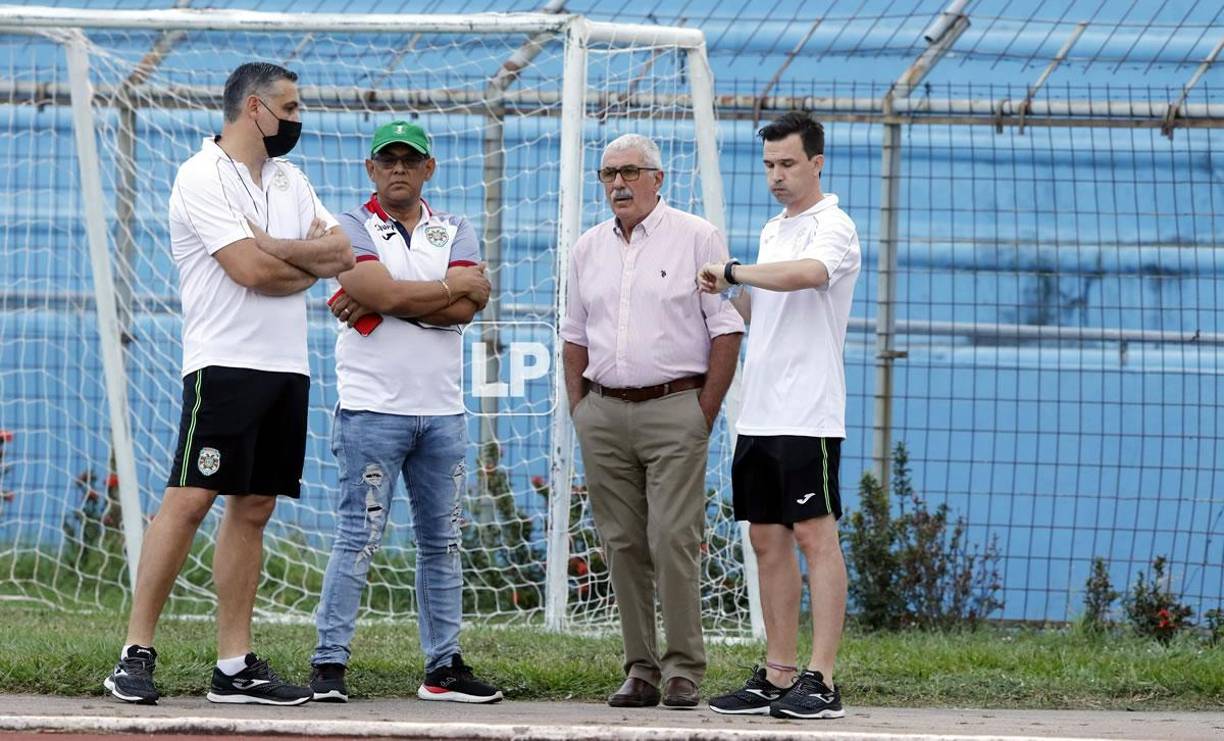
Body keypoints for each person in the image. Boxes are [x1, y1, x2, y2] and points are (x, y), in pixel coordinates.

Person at [103, 62, 354, 706]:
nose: (298, 119)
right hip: (222, 364)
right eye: (290, 107)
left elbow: (343, 255)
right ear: (254, 109)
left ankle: (234, 666)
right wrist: (288, 256)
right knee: (190, 499)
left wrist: (276, 246)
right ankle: (135, 653)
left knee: (256, 507)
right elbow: (248, 271)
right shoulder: (199, 174)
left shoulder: (292, 179)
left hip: (285, 367)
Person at [306, 120, 500, 704]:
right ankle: (329, 665)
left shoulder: (454, 227)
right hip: (371, 413)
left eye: (408, 160)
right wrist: (443, 292)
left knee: (442, 544)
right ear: (371, 169)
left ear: (427, 169)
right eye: (386, 160)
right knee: (356, 539)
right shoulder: (350, 226)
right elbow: (439, 295)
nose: (397, 169)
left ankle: (443, 668)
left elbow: (471, 306)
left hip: (443, 413)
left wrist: (386, 297)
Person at [560, 134, 744, 709]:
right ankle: (640, 669)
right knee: (621, 543)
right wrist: (581, 409)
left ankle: (684, 668)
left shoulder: (696, 237)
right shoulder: (587, 248)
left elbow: (727, 327)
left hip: (675, 410)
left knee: (672, 538)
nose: (618, 183)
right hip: (604, 411)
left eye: (631, 171)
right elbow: (572, 335)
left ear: (657, 178)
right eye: (609, 173)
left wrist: (702, 412)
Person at [699, 112, 860, 720]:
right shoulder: (773, 230)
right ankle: (778, 673)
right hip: (759, 410)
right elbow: (761, 300)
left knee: (815, 536)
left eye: (788, 164)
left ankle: (822, 680)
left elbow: (810, 276)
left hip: (808, 411)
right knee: (765, 539)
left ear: (817, 163)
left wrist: (736, 270)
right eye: (768, 165)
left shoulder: (835, 227)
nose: (777, 176)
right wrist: (723, 288)